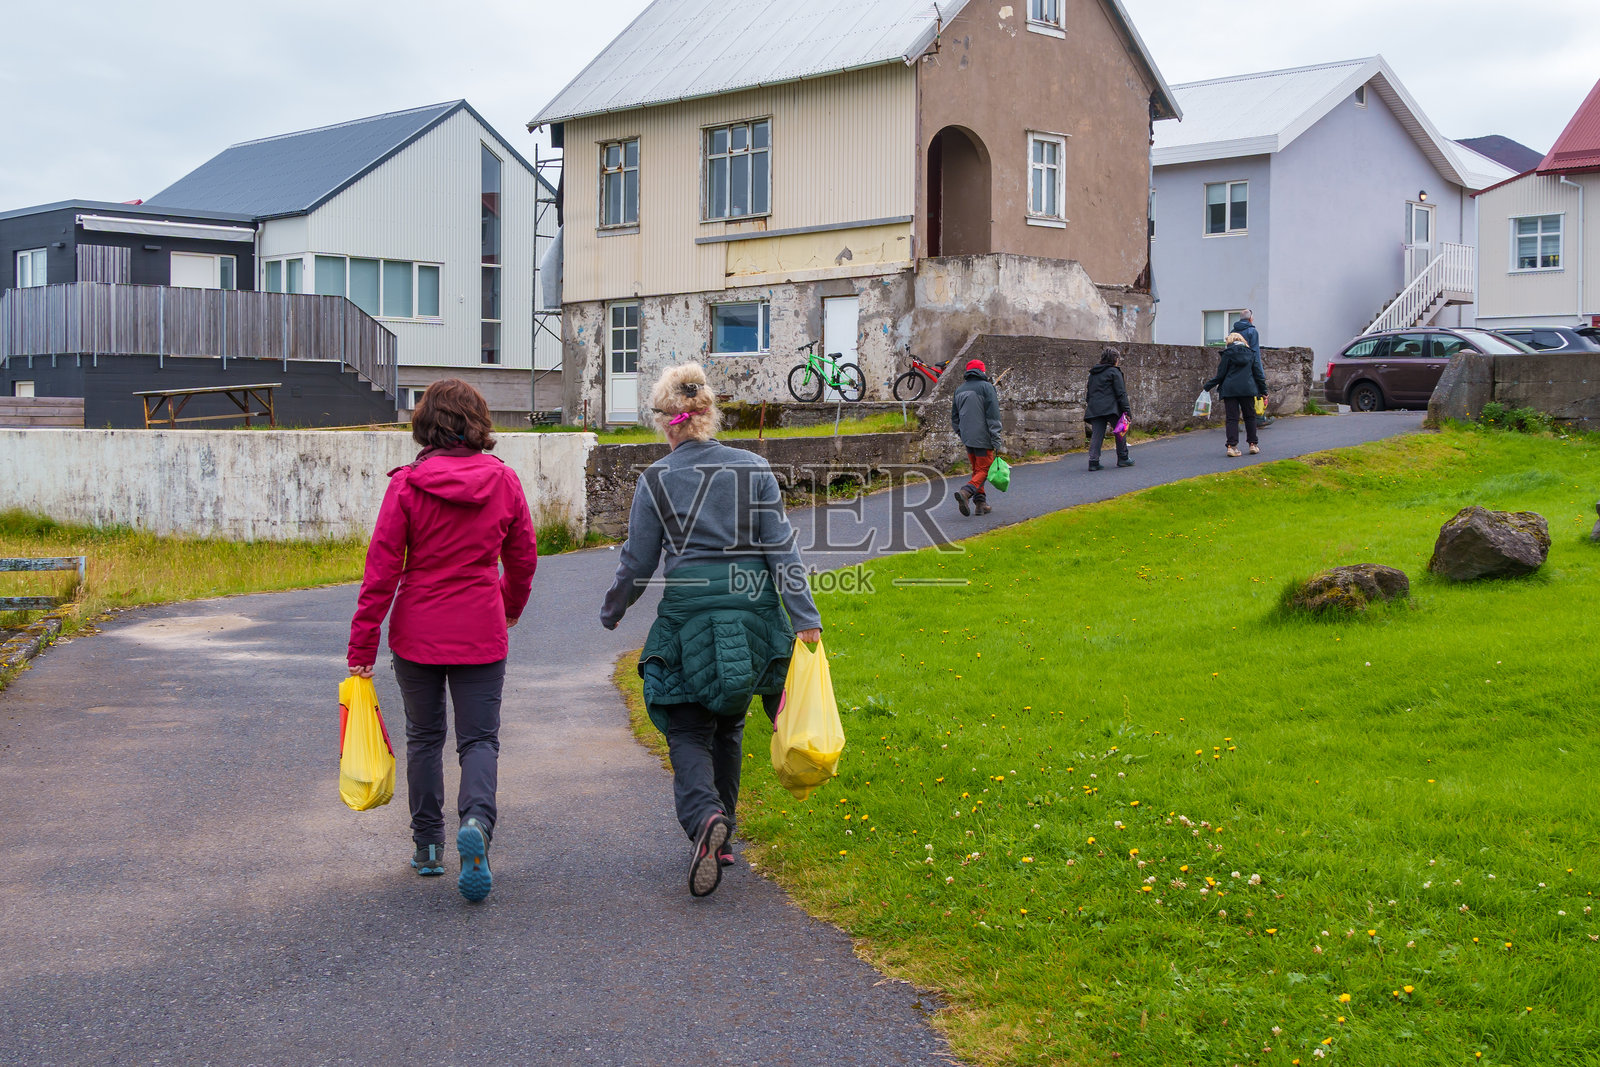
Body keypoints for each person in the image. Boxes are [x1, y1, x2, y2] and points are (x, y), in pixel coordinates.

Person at [601, 363, 822, 899]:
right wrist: (805, 619)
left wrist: (614, 608)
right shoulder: (752, 467)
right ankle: (723, 838)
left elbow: (638, 561)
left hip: (689, 613)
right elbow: (781, 549)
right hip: (754, 614)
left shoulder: (657, 479)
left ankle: (705, 818)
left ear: (667, 422)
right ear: (708, 414)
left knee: (686, 722)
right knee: (728, 721)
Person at [347, 379, 537, 903]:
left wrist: (362, 648)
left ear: (426, 423)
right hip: (480, 626)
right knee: (479, 740)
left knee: (425, 738)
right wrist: (507, 608)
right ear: (479, 422)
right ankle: (475, 821)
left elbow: (380, 572)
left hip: (417, 632)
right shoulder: (504, 481)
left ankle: (428, 846)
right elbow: (522, 560)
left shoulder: (407, 486)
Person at [950, 358, 1003, 515]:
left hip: (968, 438)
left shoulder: (959, 390)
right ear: (982, 371)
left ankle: (981, 504)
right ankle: (966, 492)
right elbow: (993, 416)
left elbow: (954, 418)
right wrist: (996, 439)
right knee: (985, 469)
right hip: (983, 437)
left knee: (977, 470)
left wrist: (963, 434)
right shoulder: (987, 388)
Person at [1203, 332, 1269, 457]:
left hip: (1230, 389)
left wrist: (1207, 387)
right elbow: (1258, 375)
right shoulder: (1251, 354)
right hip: (1247, 389)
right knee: (1250, 417)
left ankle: (1232, 447)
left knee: (1232, 418)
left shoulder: (1227, 354)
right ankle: (1253, 445)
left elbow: (1221, 375)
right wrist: (1264, 391)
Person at [1083, 346, 1133, 471]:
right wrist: (1127, 411)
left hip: (1095, 407)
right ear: (1115, 359)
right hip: (1112, 408)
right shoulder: (1114, 372)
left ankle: (1093, 461)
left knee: (1097, 435)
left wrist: (1091, 404)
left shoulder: (1093, 373)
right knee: (1120, 431)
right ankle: (1123, 458)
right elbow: (1121, 393)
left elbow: (1089, 392)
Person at [1230, 311, 1272, 428]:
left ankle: (1235, 422)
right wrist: (1259, 372)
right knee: (1255, 392)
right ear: (1250, 319)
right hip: (1248, 366)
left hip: (1235, 367)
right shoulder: (1252, 331)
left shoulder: (1233, 331)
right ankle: (1259, 419)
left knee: (1236, 394)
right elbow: (1255, 354)